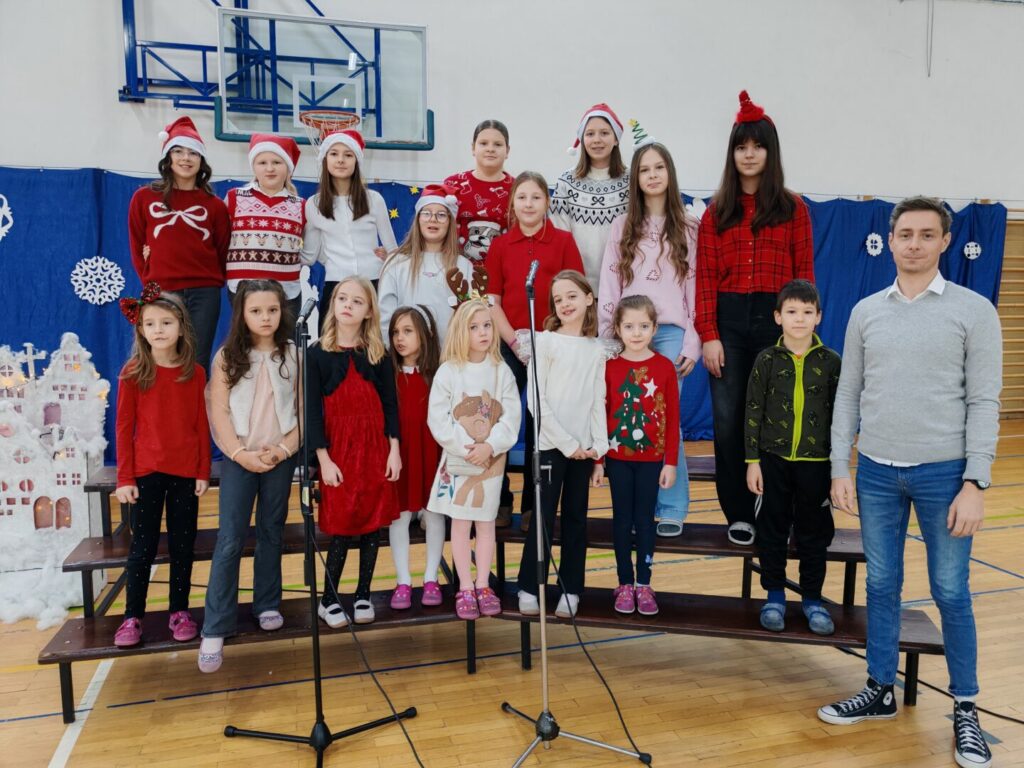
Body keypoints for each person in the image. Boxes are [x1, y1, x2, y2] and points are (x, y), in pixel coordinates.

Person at [818, 197, 1001, 768]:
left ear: (945, 241)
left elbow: (984, 400)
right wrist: (840, 466)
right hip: (876, 472)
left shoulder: (974, 311)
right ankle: (880, 688)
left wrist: (975, 482)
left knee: (950, 591)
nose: (914, 243)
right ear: (890, 241)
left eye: (926, 234)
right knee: (881, 585)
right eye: (905, 234)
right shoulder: (866, 311)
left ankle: (966, 708)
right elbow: (849, 394)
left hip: (945, 474)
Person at [696, 90, 814, 546]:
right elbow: (705, 278)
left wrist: (799, 331)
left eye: (758, 146)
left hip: (775, 319)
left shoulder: (793, 209)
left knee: (773, 418)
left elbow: (804, 277)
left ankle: (775, 509)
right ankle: (740, 512)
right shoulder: (716, 212)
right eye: (741, 146)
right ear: (732, 153)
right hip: (728, 322)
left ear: (770, 151)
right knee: (728, 421)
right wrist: (709, 334)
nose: (749, 154)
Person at [599, 136, 700, 537]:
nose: (652, 175)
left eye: (659, 168)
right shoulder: (622, 226)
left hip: (672, 332)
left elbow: (695, 287)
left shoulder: (688, 226)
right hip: (629, 333)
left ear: (669, 173)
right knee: (631, 417)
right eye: (644, 169)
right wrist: (609, 336)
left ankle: (671, 505)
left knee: (665, 416)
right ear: (635, 178)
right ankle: (637, 508)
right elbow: (609, 283)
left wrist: (693, 338)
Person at [197, 280, 299, 673]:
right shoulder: (227, 357)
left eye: (272, 310)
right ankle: (216, 625)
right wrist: (240, 453)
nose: (265, 318)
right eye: (256, 311)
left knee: (272, 531)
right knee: (230, 539)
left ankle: (267, 603)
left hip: (278, 458)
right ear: (242, 314)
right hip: (240, 459)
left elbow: (302, 411)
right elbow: (219, 412)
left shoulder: (293, 354)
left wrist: (283, 449)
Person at [112, 284, 210, 647]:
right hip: (146, 474)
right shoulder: (133, 372)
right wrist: (125, 477)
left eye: (166, 323)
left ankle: (179, 611)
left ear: (181, 328)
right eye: (150, 323)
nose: (158, 330)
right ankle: (132, 617)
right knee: (143, 548)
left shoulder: (195, 373)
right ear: (141, 329)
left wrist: (202, 471)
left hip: (184, 474)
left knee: (183, 547)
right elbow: (124, 428)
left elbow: (201, 425)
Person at [487, 171, 585, 528]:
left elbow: (575, 296)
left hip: (551, 346)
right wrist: (515, 342)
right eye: (522, 197)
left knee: (540, 424)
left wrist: (551, 340)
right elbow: (493, 301)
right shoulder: (500, 245)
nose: (528, 204)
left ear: (547, 202)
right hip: (509, 343)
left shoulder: (563, 241)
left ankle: (535, 504)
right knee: (499, 418)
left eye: (536, 197)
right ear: (512, 203)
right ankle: (499, 500)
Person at [744, 279, 840, 636]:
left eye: (807, 312)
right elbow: (752, 411)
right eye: (792, 311)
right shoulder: (766, 360)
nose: (799, 319)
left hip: (816, 464)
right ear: (778, 316)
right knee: (773, 530)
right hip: (773, 461)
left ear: (818, 317)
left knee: (814, 534)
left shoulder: (831, 362)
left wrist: (838, 467)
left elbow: (841, 416)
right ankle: (774, 596)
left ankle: (813, 600)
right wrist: (752, 461)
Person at [308, 276, 401, 628]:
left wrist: (394, 450)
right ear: (332, 304)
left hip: (375, 447)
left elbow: (390, 405)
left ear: (369, 312)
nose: (347, 305)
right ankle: (329, 599)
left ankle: (363, 594)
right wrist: (324, 459)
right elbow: (312, 412)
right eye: (342, 298)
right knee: (344, 525)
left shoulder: (378, 354)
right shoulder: (316, 354)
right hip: (339, 452)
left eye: (357, 301)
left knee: (372, 525)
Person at [516, 270, 610, 619]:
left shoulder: (596, 349)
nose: (565, 304)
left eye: (572, 296)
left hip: (583, 450)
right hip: (552, 447)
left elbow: (597, 400)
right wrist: (567, 444)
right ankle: (529, 585)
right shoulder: (545, 342)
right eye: (558, 299)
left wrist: (598, 450)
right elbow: (536, 402)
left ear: (589, 298)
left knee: (575, 519)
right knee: (542, 518)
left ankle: (571, 588)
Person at [427, 299, 521, 620]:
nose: (483, 332)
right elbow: (438, 419)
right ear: (461, 331)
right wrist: (468, 447)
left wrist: (490, 446)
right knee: (461, 523)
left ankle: (483, 584)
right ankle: (465, 587)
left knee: (485, 523)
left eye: (487, 325)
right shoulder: (449, 371)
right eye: (474, 327)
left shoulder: (501, 371)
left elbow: (511, 418)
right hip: (459, 460)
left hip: (490, 462)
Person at [128, 116, 230, 373]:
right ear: (168, 157)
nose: (186, 158)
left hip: (204, 293)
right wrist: (151, 281)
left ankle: (194, 402)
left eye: (193, 152)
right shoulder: (143, 198)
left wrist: (207, 277)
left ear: (201, 160)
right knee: (160, 359)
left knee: (196, 362)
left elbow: (222, 250)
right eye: (179, 151)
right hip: (162, 291)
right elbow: (137, 246)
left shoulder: (215, 206)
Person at [597, 295, 679, 617]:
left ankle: (644, 583)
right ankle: (624, 583)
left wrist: (670, 461)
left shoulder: (664, 367)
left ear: (655, 328)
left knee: (645, 521)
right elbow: (600, 416)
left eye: (643, 326)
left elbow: (672, 418)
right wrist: (598, 461)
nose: (636, 333)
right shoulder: (610, 368)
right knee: (621, 520)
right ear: (617, 329)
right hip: (618, 459)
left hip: (651, 461)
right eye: (629, 326)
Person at [301, 129, 397, 323]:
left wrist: (388, 256)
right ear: (325, 159)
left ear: (357, 161)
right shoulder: (314, 204)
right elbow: (309, 256)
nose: (340, 160)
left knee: (373, 339)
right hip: (335, 286)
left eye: (348, 155)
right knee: (330, 340)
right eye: (334, 154)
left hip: (372, 284)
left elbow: (393, 251)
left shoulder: (374, 199)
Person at [386, 306, 446, 610]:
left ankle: (431, 577)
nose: (400, 338)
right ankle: (403, 580)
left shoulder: (439, 376)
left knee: (433, 513)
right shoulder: (389, 377)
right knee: (399, 515)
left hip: (431, 454)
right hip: (400, 456)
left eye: (408, 331)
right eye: (396, 332)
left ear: (425, 334)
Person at [224, 134, 306, 320]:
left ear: (288, 168)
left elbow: (308, 247)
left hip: (287, 291)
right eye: (262, 162)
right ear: (253, 166)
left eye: (277, 162)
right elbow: (221, 239)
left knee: (285, 338)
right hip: (242, 289)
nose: (270, 168)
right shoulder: (234, 197)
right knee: (245, 338)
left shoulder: (300, 205)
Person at [550, 103, 630, 293]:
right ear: (582, 138)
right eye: (590, 134)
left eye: (604, 133)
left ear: (616, 139)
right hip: (578, 286)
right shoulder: (566, 182)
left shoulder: (632, 181)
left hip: (622, 284)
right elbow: (560, 237)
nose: (597, 140)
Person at [378, 184, 473, 343]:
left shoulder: (464, 266)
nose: (433, 219)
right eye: (426, 213)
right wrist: (393, 349)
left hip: (451, 355)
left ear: (450, 222)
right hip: (406, 355)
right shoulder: (396, 263)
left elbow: (471, 315)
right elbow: (384, 315)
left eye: (441, 215)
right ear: (418, 219)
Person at [444, 119, 514, 264]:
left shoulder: (518, 189)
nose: (490, 149)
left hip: (503, 269)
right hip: (457, 270)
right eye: (483, 143)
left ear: (507, 151)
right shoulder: (453, 184)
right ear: (473, 148)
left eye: (498, 144)